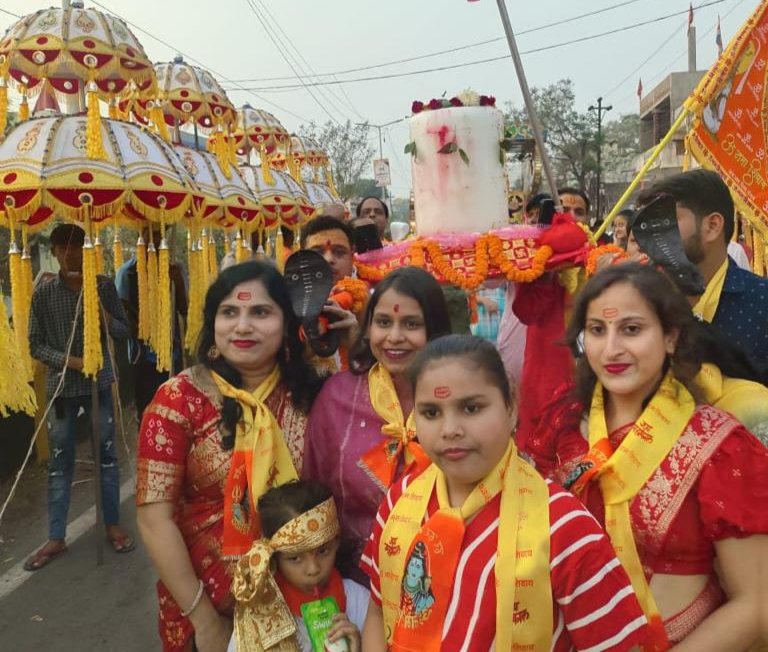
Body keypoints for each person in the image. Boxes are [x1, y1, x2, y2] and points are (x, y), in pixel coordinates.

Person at [361, 335, 648, 651]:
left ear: (510, 407)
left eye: (471, 408)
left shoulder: (565, 528)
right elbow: (378, 611)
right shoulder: (400, 501)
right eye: (431, 413)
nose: (450, 429)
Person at [533, 263, 768, 648]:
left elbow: (757, 604)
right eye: (597, 330)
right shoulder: (562, 426)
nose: (612, 349)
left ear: (670, 337)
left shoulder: (720, 448)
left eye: (631, 329)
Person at [137, 261, 325, 652]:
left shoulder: (314, 396)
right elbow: (154, 519)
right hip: (206, 610)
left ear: (287, 324)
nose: (242, 326)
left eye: (260, 312)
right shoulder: (178, 400)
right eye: (229, 312)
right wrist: (204, 620)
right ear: (213, 325)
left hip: (308, 601)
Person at [302, 267, 452, 576]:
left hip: (445, 574)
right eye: (383, 323)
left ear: (435, 331)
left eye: (411, 324)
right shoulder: (337, 397)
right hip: (355, 579)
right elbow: (314, 493)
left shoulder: (457, 398)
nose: (394, 337)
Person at [25, 223, 134, 571]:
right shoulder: (44, 294)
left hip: (99, 384)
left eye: (76, 247)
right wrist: (70, 361)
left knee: (107, 456)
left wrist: (103, 313)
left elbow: (123, 330)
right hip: (62, 389)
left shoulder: (102, 286)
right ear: (55, 252)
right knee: (61, 462)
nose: (70, 254)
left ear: (87, 251)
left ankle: (112, 525)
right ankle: (56, 537)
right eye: (63, 248)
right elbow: (35, 344)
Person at [637, 169, 768, 378]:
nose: (653, 235)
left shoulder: (762, 302)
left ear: (712, 226)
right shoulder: (638, 297)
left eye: (666, 221)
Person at [227, 480, 368, 652]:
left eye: (323, 551)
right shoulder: (256, 618)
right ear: (274, 558)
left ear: (336, 541)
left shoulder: (359, 600)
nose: (313, 569)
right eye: (295, 558)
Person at [115, 229, 188, 419]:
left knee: (173, 412)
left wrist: (178, 282)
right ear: (140, 235)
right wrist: (148, 331)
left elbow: (184, 309)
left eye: (158, 234)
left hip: (172, 354)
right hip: (142, 357)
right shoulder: (127, 272)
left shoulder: (174, 269)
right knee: (147, 412)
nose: (154, 239)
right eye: (149, 233)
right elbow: (121, 314)